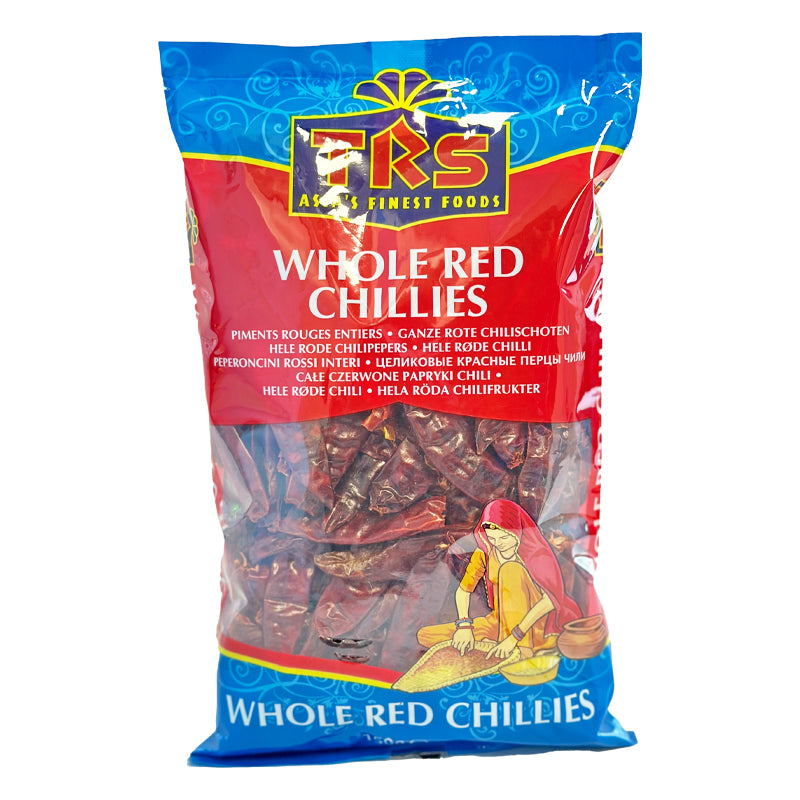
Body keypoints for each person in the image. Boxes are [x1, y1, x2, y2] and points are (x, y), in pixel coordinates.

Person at [417, 498, 582, 659]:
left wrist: (513, 638)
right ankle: (492, 644)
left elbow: (550, 599)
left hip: (535, 625)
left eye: (504, 537)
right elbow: (464, 590)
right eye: (492, 538)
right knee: (425, 635)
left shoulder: (536, 554)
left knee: (510, 569)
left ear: (517, 529)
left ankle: (522, 649)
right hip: (500, 621)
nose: (498, 543)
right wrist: (464, 626)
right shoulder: (485, 552)